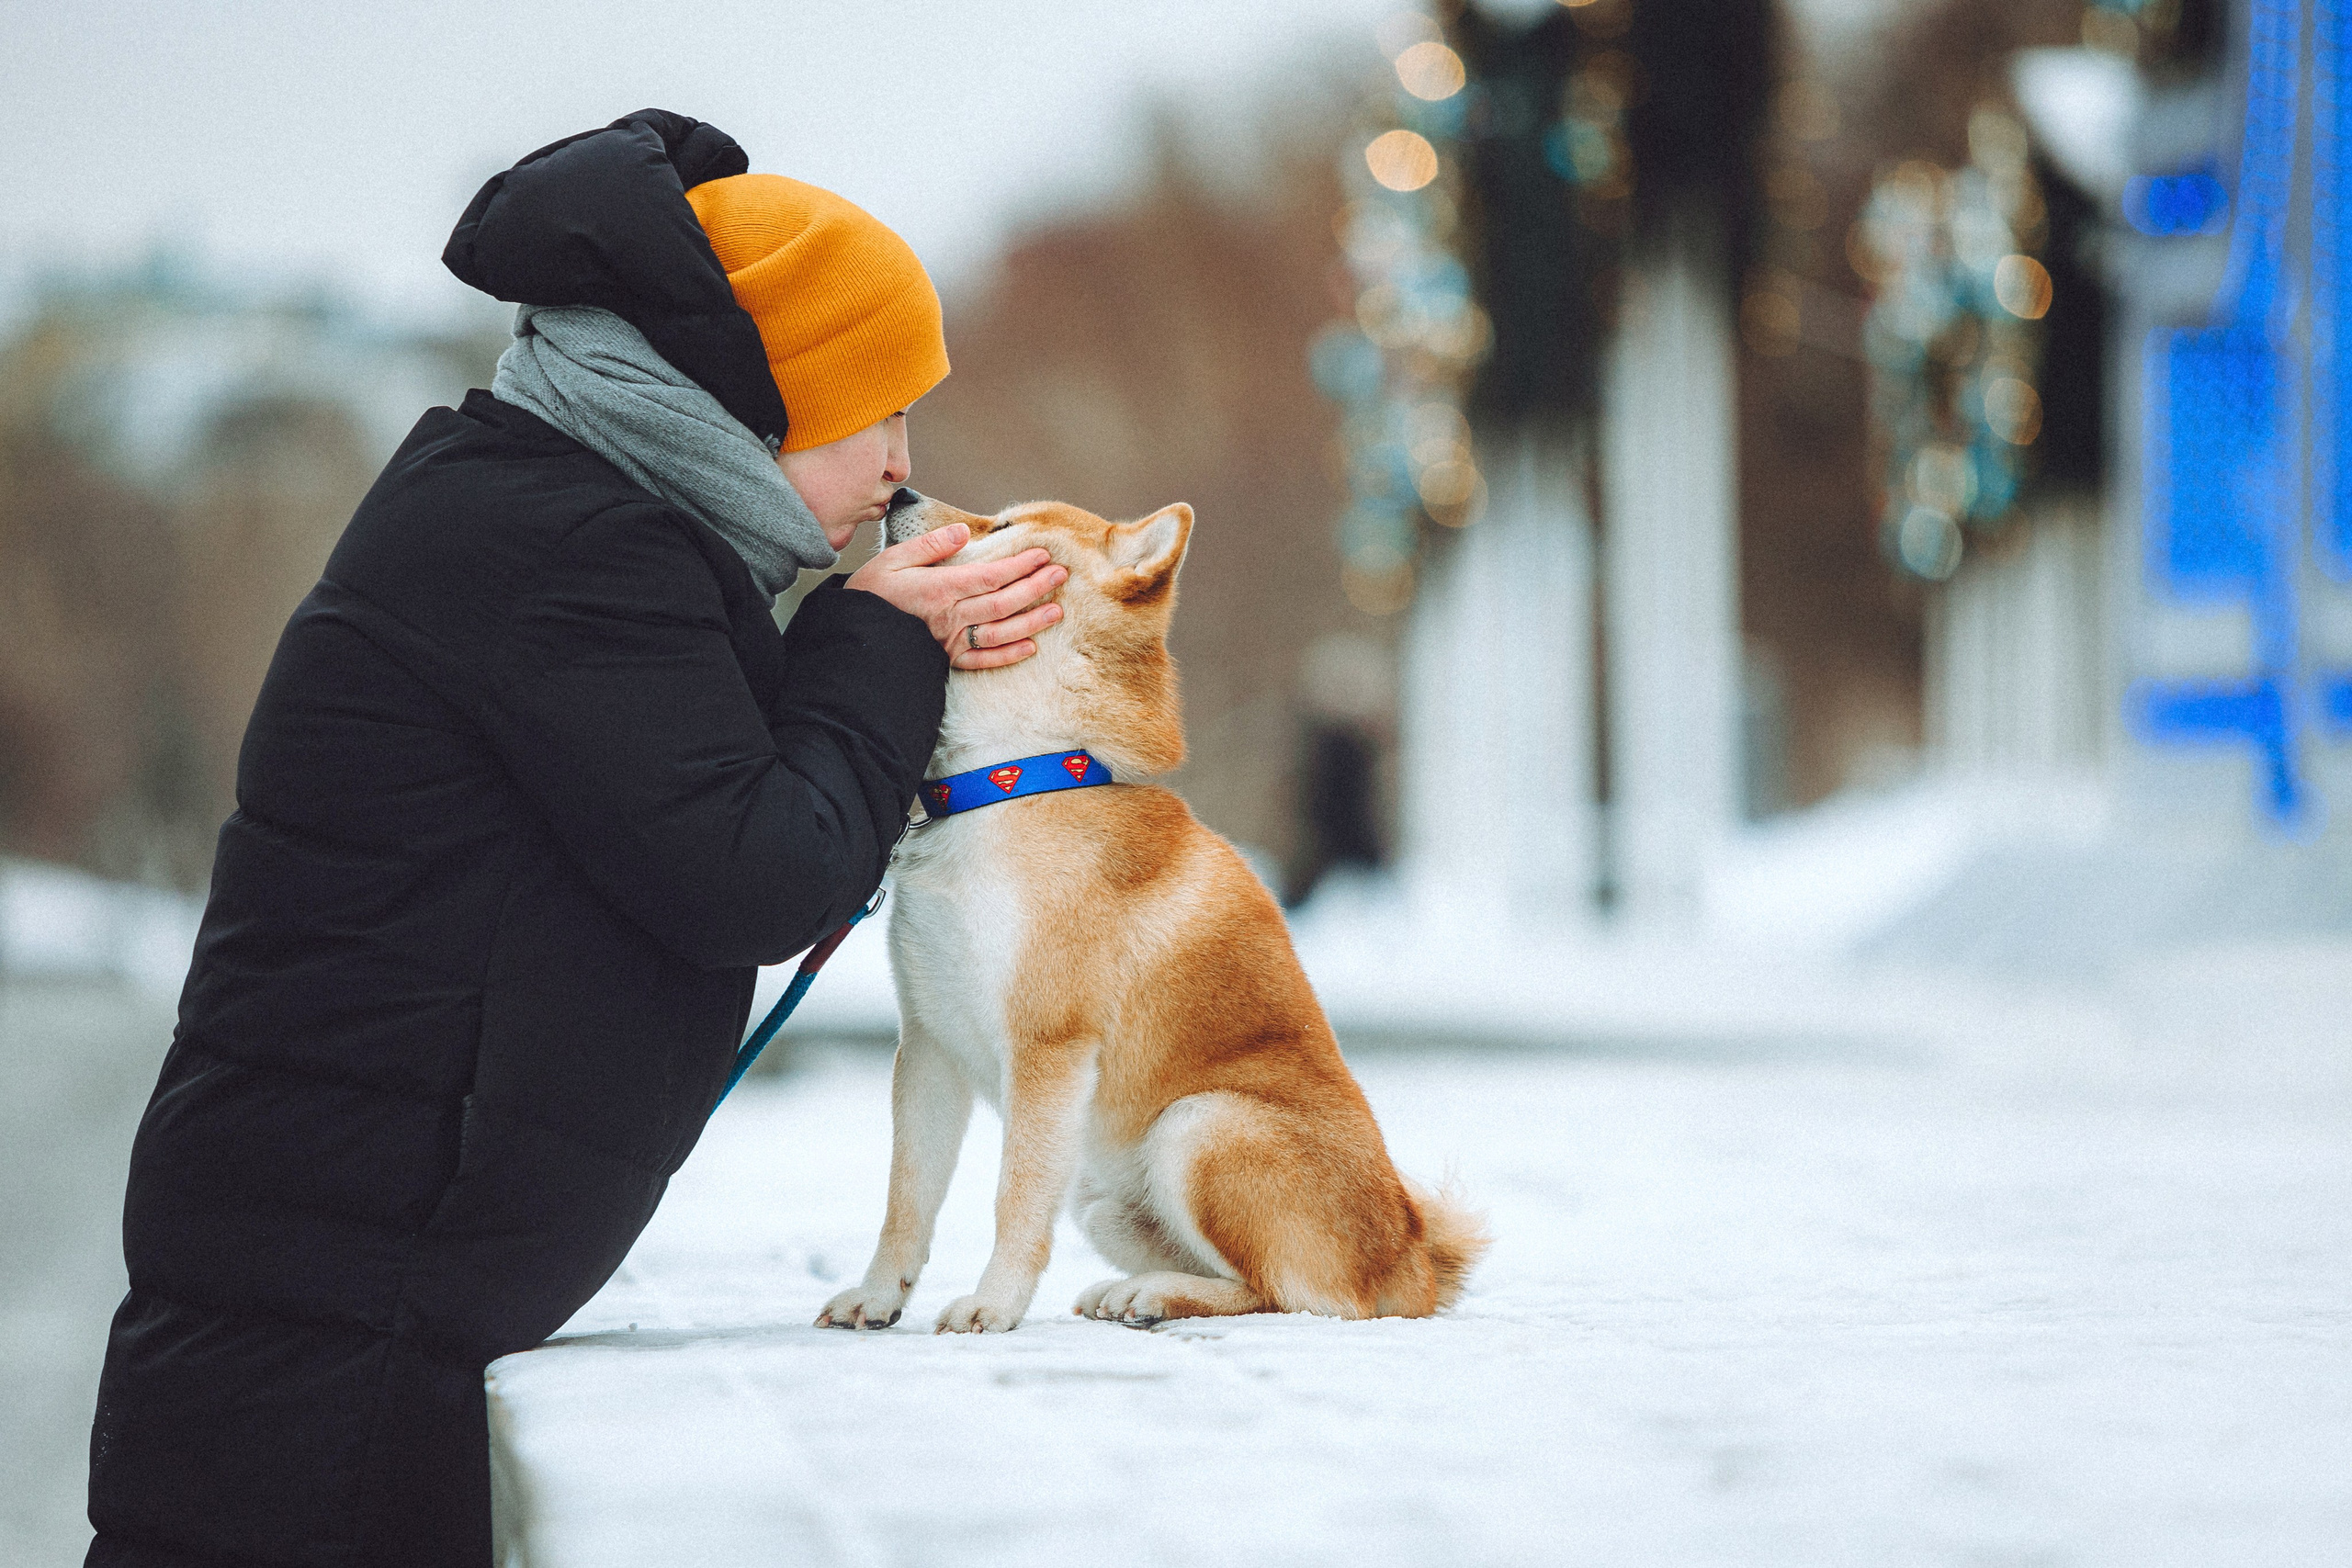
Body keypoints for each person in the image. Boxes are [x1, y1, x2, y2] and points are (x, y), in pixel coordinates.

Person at [84, 109, 1057, 1568]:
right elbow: (754, 874)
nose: (900, 469)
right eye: (878, 414)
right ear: (758, 401)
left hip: (340, 1275)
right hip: (339, 1309)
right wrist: (872, 647)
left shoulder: (555, 506)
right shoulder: (578, 549)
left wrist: (856, 665)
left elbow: (678, 800)